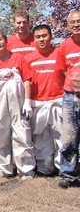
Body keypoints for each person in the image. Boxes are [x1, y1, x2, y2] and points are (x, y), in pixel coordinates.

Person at [0, 27, 36, 179]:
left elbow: (27, 81)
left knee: (22, 134)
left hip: (19, 104)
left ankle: (26, 169)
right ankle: (3, 169)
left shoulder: (18, 59)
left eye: (0, 39)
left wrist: (27, 102)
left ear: (6, 40)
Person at [25, 24, 65, 176]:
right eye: (38, 37)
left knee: (61, 137)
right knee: (41, 138)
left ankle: (63, 168)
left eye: (44, 36)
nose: (41, 39)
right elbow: (26, 83)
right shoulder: (29, 59)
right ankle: (44, 168)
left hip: (58, 101)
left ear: (51, 36)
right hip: (38, 103)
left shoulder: (60, 54)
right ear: (34, 39)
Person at [56, 10, 80, 188]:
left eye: (79, 21)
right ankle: (68, 175)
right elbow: (61, 71)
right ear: (68, 26)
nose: (76, 25)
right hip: (70, 97)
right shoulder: (64, 46)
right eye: (73, 22)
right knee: (69, 137)